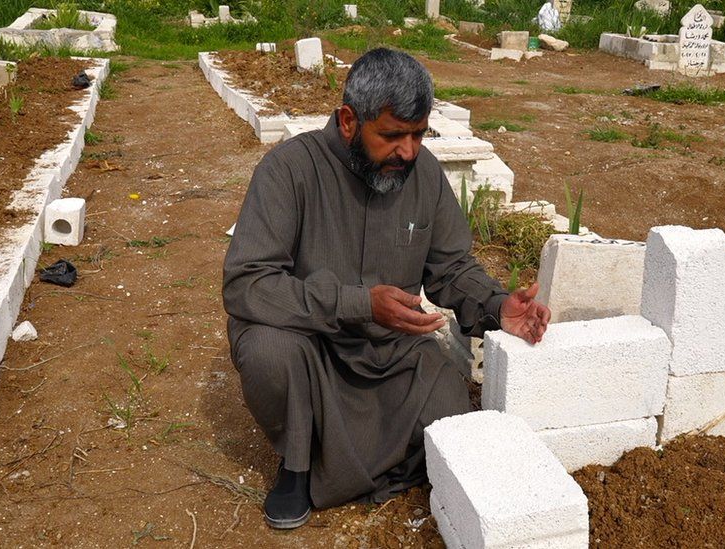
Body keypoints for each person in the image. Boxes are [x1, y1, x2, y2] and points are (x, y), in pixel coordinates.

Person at [222, 47, 550, 530]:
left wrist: (499, 305)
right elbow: (248, 284)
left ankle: (350, 465)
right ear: (350, 121)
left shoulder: (424, 175)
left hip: (390, 352)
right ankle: (296, 467)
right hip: (313, 347)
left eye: (419, 134)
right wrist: (359, 304)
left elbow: (451, 268)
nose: (409, 151)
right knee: (268, 351)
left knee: (449, 404)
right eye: (393, 135)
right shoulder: (289, 170)